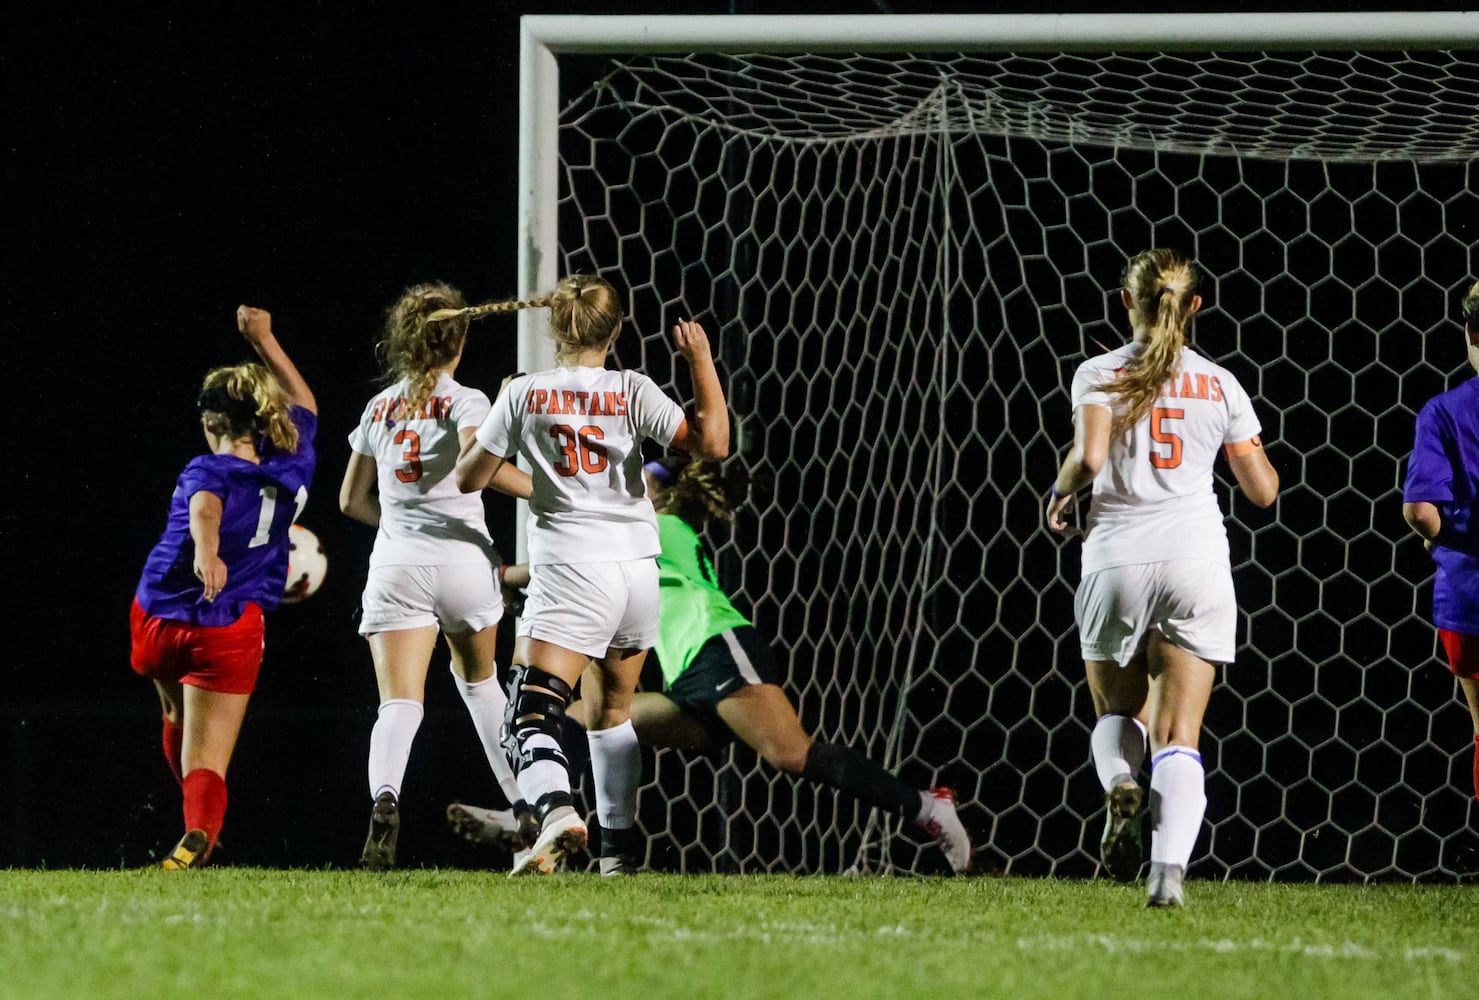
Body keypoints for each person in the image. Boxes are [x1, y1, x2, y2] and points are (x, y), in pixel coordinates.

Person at [449, 456, 973, 874]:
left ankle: (927, 806)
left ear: (661, 495)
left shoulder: (663, 524)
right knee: (592, 716)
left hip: (717, 645)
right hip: (688, 675)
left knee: (789, 753)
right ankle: (537, 813)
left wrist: (500, 576)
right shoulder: (651, 527)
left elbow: (573, 559)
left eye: (642, 482)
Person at [453, 274, 729, 875]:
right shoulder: (633, 389)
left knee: (527, 717)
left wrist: (500, 424)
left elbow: (468, 477)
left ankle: (555, 811)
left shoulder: (526, 395)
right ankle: (618, 857)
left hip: (573, 572)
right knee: (611, 714)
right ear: (617, 330)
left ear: (553, 328)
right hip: (635, 575)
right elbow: (712, 444)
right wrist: (700, 360)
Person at [1045, 249, 1278, 907]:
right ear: (1195, 306)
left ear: (1125, 302)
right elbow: (1261, 492)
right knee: (1179, 735)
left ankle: (1120, 781)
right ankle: (1166, 876)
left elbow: (1088, 458)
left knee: (1118, 712)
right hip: (1194, 560)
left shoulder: (1097, 371)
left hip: (1115, 558)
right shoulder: (1220, 382)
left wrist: (1058, 494)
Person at [339, 282, 539, 870]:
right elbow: (483, 469)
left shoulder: (378, 408)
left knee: (399, 704)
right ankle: (526, 806)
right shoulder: (467, 401)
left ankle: (385, 797)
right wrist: (543, 492)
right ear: (460, 341)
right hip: (464, 563)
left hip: (397, 564)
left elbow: (351, 500)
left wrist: (401, 527)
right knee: (481, 688)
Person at [130, 306, 317, 869]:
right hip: (228, 627)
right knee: (208, 755)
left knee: (174, 715)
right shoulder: (294, 459)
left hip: (159, 612)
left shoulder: (205, 467)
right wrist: (265, 339)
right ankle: (198, 832)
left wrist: (207, 553)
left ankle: (198, 826)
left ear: (211, 421)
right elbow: (304, 403)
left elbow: (204, 509)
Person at [1402, 279, 1479, 815]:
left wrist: (1450, 542)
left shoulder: (1444, 411)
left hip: (1470, 599)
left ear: (1470, 331)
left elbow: (1419, 510)